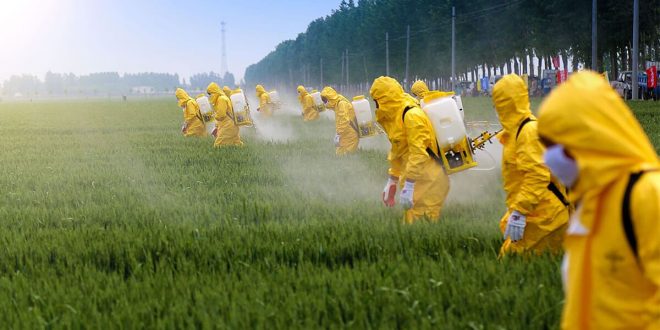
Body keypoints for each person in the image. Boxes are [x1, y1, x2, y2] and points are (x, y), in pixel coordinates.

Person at [537, 71, 660, 330]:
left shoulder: (647, 196)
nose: (548, 158)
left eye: (556, 145)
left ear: (588, 138)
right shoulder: (589, 204)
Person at [492, 74, 569, 255]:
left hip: (545, 218)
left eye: (498, 102)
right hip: (535, 213)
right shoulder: (515, 131)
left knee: (512, 264)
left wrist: (520, 211)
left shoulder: (528, 132)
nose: (495, 108)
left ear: (507, 103)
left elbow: (537, 176)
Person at [369, 76, 450, 223]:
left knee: (422, 230)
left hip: (429, 182)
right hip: (417, 179)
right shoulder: (397, 116)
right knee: (411, 225)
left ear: (385, 99)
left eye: (376, 101)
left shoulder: (411, 115)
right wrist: (392, 179)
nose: (375, 105)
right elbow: (398, 149)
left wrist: (410, 185)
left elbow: (418, 153)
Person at [320, 87, 359, 156]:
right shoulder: (337, 103)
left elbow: (345, 120)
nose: (325, 103)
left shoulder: (341, 104)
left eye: (325, 101)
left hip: (351, 135)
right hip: (345, 133)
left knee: (347, 156)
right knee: (339, 155)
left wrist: (338, 133)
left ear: (330, 97)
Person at [207, 82, 243, 147]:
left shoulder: (221, 99)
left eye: (210, 93)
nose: (210, 96)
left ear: (214, 92)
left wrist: (214, 116)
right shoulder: (222, 98)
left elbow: (221, 115)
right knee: (236, 144)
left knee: (218, 145)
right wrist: (216, 127)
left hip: (228, 126)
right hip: (231, 125)